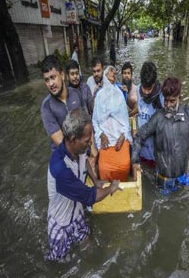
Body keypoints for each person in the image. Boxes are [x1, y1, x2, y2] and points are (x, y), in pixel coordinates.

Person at [46, 108, 120, 262]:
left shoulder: (78, 149)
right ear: (73, 139)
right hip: (61, 224)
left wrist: (96, 180)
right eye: (87, 140)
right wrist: (111, 188)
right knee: (61, 263)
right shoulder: (60, 168)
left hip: (77, 214)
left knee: (89, 249)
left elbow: (85, 162)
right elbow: (89, 196)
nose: (91, 143)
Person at [131, 77, 189, 193]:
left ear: (179, 97)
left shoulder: (188, 114)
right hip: (164, 180)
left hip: (183, 177)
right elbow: (139, 137)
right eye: (166, 101)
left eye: (172, 101)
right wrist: (135, 161)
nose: (168, 105)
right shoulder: (157, 118)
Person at [92, 66, 132, 182]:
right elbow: (95, 121)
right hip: (106, 139)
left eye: (115, 74)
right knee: (103, 168)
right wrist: (101, 134)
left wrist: (123, 135)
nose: (113, 75)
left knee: (124, 165)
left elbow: (125, 121)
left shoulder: (119, 93)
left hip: (120, 137)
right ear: (104, 76)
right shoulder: (99, 95)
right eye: (110, 73)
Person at [40, 55, 87, 150]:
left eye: (53, 77)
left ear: (62, 75)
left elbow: (87, 123)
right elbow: (61, 143)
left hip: (83, 146)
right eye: (47, 80)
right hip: (64, 154)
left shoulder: (76, 94)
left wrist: (92, 152)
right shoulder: (47, 106)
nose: (50, 84)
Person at [134, 62, 165, 167]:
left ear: (154, 84)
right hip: (142, 144)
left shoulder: (162, 96)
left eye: (149, 89)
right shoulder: (138, 90)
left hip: (155, 146)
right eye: (144, 88)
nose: (146, 92)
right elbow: (139, 109)